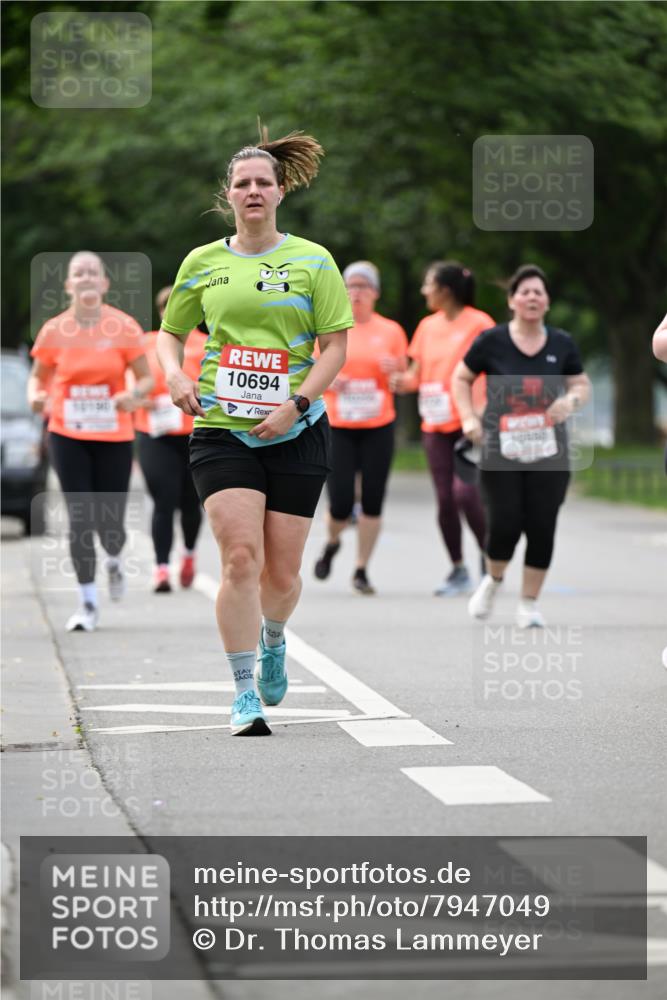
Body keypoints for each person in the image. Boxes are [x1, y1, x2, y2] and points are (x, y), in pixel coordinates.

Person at [156, 129, 351, 736]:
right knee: (240, 559)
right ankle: (244, 695)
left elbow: (336, 346)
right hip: (221, 428)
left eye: (263, 182)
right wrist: (173, 375)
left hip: (296, 429)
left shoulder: (313, 260)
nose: (253, 191)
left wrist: (296, 403)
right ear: (229, 195)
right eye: (243, 183)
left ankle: (273, 636)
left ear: (281, 190)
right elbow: (170, 334)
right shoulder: (202, 263)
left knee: (282, 576)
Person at [452, 263, 591, 628]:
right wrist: (468, 418)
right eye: (525, 291)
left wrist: (570, 402)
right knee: (505, 525)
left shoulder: (561, 343)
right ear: (512, 300)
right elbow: (461, 378)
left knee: (543, 525)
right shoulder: (492, 341)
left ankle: (529, 604)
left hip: (550, 451)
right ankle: (494, 580)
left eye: (539, 292)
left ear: (547, 303)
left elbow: (581, 385)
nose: (532, 297)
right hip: (501, 450)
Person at [28, 251, 152, 632]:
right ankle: (87, 602)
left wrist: (132, 396)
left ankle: (113, 559)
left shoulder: (124, 327)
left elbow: (145, 379)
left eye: (92, 273)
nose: (85, 278)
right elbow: (38, 378)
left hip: (113, 433)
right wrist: (35, 396)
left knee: (109, 521)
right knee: (80, 516)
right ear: (68, 284)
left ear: (104, 283)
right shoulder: (53, 330)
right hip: (67, 431)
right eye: (78, 273)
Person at [390, 261, 493, 596]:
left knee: (466, 494)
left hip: (470, 422)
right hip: (434, 423)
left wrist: (484, 411)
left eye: (428, 284)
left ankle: (490, 556)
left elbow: (496, 370)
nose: (423, 291)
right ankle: (458, 569)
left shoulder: (480, 323)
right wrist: (396, 379)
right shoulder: (426, 327)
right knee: (446, 500)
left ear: (445, 290)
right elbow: (416, 376)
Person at [313, 261, 408, 594]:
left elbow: (404, 377)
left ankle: (361, 569)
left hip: (378, 423)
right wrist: (330, 379)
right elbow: (311, 369)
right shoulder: (331, 325)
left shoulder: (392, 331)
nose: (356, 292)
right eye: (350, 286)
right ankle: (332, 541)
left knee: (372, 499)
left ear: (376, 294)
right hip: (339, 424)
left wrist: (396, 370)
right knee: (339, 502)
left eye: (363, 287)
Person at [134, 287, 207, 592]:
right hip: (154, 430)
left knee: (191, 502)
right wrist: (138, 396)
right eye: (165, 307)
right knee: (163, 498)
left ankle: (188, 554)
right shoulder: (148, 343)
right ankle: (161, 568)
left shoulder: (207, 343)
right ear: (161, 312)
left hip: (195, 431)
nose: (170, 312)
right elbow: (131, 375)